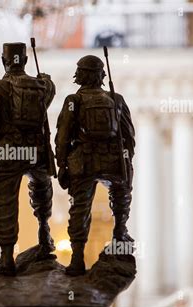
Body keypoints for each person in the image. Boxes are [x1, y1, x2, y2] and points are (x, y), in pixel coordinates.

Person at [0, 42, 56, 276]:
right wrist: (46, 80)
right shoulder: (44, 87)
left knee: (5, 202)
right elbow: (43, 106)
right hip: (37, 152)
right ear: (26, 61)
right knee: (42, 191)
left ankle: (6, 257)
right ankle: (44, 234)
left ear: (4, 61)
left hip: (9, 152)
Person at [55, 55, 136, 276]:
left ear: (79, 76)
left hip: (84, 162)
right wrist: (126, 161)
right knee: (121, 198)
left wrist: (61, 165)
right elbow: (128, 136)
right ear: (102, 76)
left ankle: (77, 260)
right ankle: (120, 234)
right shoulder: (116, 99)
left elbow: (62, 136)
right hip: (112, 160)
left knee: (79, 209)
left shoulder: (74, 100)